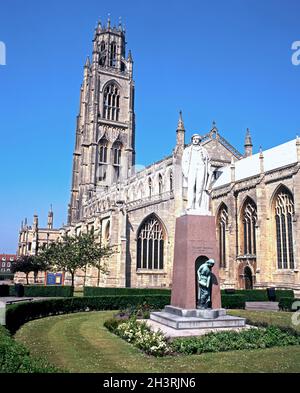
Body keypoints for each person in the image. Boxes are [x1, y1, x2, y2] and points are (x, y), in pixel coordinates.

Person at [182, 134, 212, 213]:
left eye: (197, 139)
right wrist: (185, 172)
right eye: (194, 139)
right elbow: (184, 161)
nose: (195, 140)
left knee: (199, 188)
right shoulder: (187, 150)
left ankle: (198, 205)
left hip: (201, 168)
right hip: (191, 168)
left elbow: (208, 161)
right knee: (191, 187)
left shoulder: (204, 150)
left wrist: (209, 169)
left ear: (199, 140)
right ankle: (190, 205)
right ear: (192, 140)